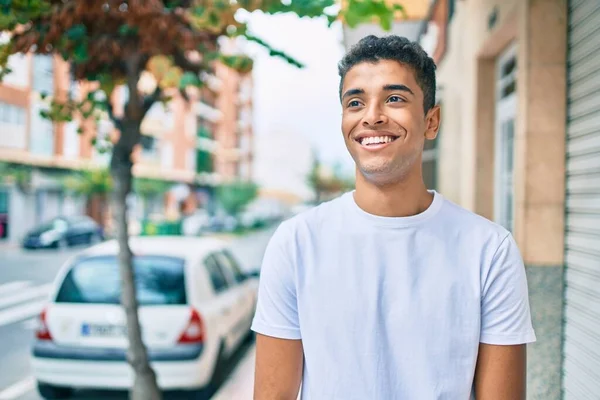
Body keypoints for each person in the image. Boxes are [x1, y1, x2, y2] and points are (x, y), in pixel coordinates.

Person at [251, 35, 536, 400]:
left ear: (431, 121)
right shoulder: (296, 244)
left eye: (395, 99)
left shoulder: (490, 250)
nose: (372, 116)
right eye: (355, 102)